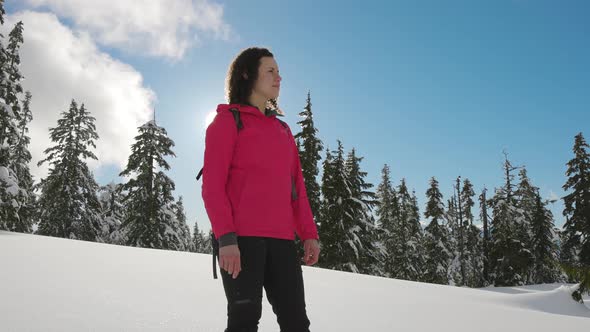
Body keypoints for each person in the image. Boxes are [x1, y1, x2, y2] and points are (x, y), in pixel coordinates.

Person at [201, 46, 320, 332]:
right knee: (244, 322)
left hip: (281, 242)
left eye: (279, 72)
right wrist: (226, 239)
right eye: (270, 70)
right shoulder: (227, 122)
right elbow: (212, 187)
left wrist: (309, 234)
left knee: (296, 323)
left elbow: (297, 191)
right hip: (241, 242)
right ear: (246, 74)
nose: (279, 77)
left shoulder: (283, 131)